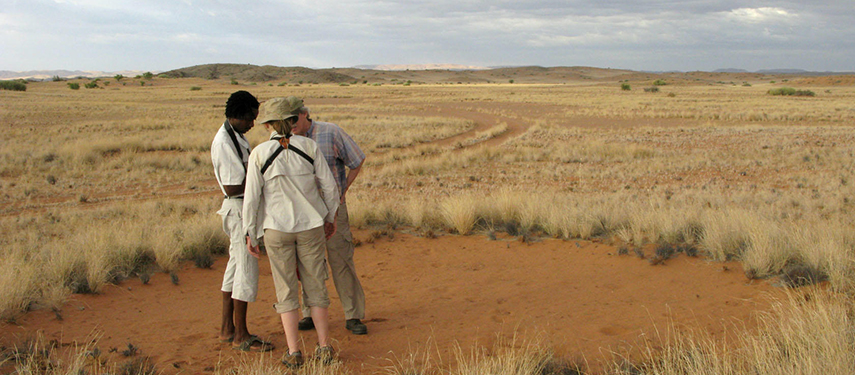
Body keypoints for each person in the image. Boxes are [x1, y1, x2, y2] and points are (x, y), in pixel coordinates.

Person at [243, 97, 341, 368]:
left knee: (285, 290)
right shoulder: (309, 146)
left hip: (276, 229)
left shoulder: (259, 154)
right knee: (316, 286)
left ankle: (294, 352)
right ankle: (324, 347)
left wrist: (250, 232)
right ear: (293, 120)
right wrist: (330, 217)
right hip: (311, 226)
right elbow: (330, 188)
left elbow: (251, 199)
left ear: (269, 125)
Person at [283, 96, 369, 335]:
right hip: (303, 213)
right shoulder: (285, 140)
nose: (290, 123)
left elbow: (357, 159)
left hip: (333, 210)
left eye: (293, 117)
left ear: (304, 113)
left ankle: (353, 315)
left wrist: (342, 192)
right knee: (308, 262)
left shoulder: (330, 132)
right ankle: (309, 312)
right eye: (285, 119)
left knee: (341, 260)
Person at [211, 90, 273, 352]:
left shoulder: (234, 137)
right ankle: (241, 335)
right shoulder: (225, 142)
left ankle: (227, 330)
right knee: (246, 271)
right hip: (238, 211)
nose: (252, 124)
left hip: (238, 210)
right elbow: (232, 185)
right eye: (250, 118)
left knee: (234, 269)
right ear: (239, 114)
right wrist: (263, 177)